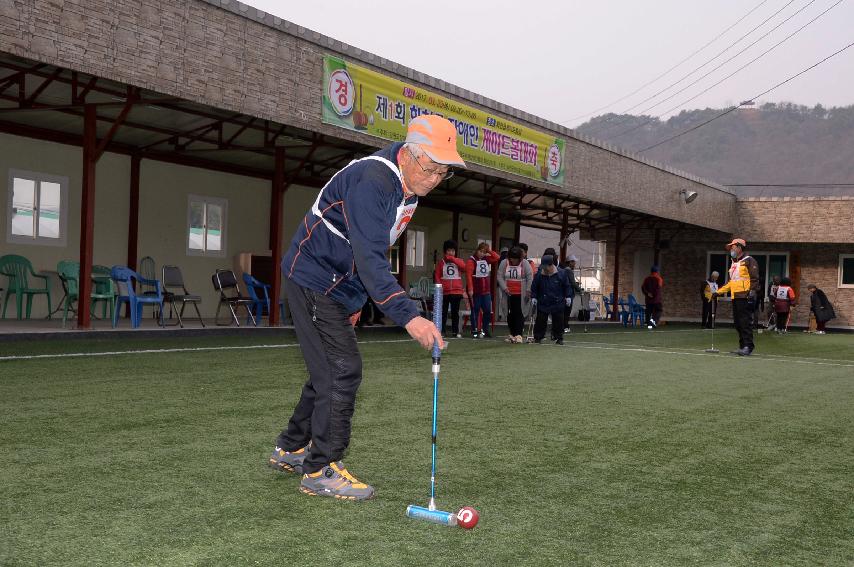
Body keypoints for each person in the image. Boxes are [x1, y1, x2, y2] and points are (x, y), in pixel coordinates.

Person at [269, 115, 463, 500]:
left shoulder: (408, 187)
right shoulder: (375, 182)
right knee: (342, 369)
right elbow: (372, 258)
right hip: (313, 277)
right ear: (408, 155)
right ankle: (320, 468)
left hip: (335, 285)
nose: (435, 179)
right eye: (430, 168)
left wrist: (352, 300)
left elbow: (367, 246)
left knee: (327, 366)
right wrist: (411, 317)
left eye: (443, 172)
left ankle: (291, 447)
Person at [715, 238, 761, 356]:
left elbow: (754, 278)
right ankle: (742, 346)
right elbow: (732, 282)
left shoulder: (749, 260)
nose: (731, 249)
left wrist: (752, 292)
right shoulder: (734, 263)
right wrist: (718, 292)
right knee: (738, 323)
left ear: (739, 247)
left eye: (733, 247)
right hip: (735, 296)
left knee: (745, 322)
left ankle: (748, 347)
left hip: (745, 296)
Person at [530, 255, 571, 345]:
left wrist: (568, 296)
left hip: (557, 301)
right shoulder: (539, 274)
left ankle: (559, 338)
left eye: (546, 266)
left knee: (559, 321)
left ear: (551, 265)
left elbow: (567, 286)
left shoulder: (562, 273)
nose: (544, 268)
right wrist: (534, 297)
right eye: (543, 266)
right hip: (543, 301)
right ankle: (538, 337)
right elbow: (534, 287)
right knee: (540, 320)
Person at [497, 246, 533, 344]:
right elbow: (499, 276)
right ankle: (512, 334)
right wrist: (504, 288)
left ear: (520, 258)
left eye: (516, 259)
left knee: (519, 314)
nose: (513, 261)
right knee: (509, 314)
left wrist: (528, 290)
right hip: (508, 293)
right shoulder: (504, 263)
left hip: (521, 294)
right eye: (512, 259)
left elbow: (530, 277)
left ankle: (519, 335)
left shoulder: (525, 263)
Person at [466, 241, 500, 338]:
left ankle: (485, 330)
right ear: (477, 251)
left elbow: (497, 257)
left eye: (484, 252)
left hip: (486, 291)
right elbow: (468, 276)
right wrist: (471, 289)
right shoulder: (471, 261)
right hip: (476, 290)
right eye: (480, 251)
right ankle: (474, 330)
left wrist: (489, 250)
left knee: (487, 310)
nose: (482, 253)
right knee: (475, 310)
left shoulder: (486, 259)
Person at [434, 239, 467, 338]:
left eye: (453, 251)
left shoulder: (458, 261)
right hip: (444, 292)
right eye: (449, 251)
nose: (451, 253)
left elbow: (464, 268)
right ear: (445, 251)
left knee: (454, 313)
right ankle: (442, 331)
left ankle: (455, 331)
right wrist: (440, 288)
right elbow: (437, 276)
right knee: (443, 312)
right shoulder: (441, 263)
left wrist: (453, 259)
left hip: (456, 292)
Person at [561, 254, 583, 330]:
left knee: (565, 311)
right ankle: (565, 326)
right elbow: (572, 283)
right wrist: (579, 289)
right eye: (573, 262)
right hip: (568, 293)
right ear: (569, 262)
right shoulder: (568, 270)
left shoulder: (564, 270)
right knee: (567, 311)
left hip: (565, 293)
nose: (574, 264)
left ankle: (563, 326)